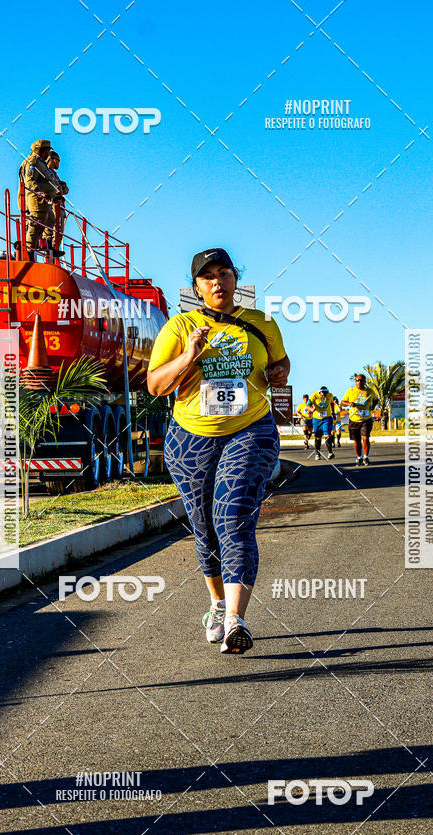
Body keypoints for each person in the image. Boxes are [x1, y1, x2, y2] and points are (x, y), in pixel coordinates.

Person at [147, 248, 290, 654]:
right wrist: (190, 355)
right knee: (204, 528)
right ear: (196, 288)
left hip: (251, 431)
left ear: (234, 279)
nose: (217, 282)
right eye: (207, 277)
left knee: (234, 518)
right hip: (191, 437)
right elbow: (156, 385)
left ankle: (235, 621)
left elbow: (281, 363)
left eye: (223, 273)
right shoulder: (179, 326)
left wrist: (280, 372)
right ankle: (216, 604)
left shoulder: (260, 324)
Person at [18, 139, 63, 259]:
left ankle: (49, 247)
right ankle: (29, 253)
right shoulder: (33, 161)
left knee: (50, 220)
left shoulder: (41, 163)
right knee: (35, 225)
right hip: (36, 200)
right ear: (42, 150)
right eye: (47, 150)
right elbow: (30, 181)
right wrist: (39, 193)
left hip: (45, 201)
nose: (48, 153)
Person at [341, 373, 377, 466]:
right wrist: (349, 404)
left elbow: (376, 399)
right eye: (357, 380)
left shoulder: (370, 391)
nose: (359, 382)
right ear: (355, 381)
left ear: (365, 381)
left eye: (361, 380)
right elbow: (342, 402)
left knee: (365, 438)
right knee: (357, 440)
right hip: (354, 419)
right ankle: (359, 457)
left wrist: (373, 406)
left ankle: (366, 457)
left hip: (366, 419)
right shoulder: (350, 391)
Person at [46, 150, 69, 253]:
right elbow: (56, 189)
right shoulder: (46, 172)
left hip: (59, 206)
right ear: (54, 160)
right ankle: (51, 250)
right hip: (53, 205)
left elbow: (65, 190)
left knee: (59, 231)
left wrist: (62, 186)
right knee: (54, 229)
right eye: (58, 161)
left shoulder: (54, 174)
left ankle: (54, 250)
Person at [308, 386, 335, 460]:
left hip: (327, 418)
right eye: (323, 393)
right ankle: (317, 453)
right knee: (318, 437)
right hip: (317, 419)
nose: (324, 395)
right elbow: (308, 405)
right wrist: (311, 409)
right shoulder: (314, 396)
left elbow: (332, 403)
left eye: (326, 393)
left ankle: (330, 452)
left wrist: (333, 413)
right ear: (319, 392)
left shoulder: (330, 395)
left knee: (327, 434)